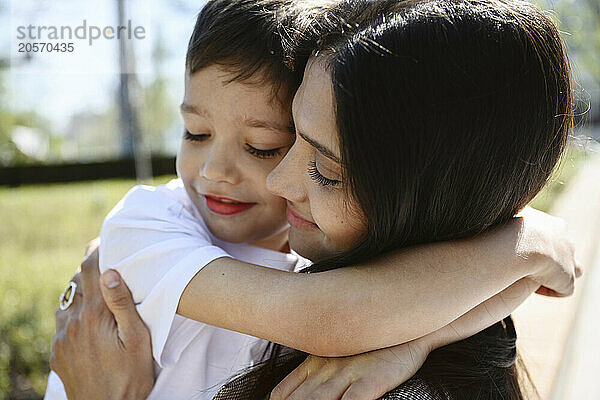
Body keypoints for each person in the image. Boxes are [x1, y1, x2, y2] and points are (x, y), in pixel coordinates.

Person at [50, 0, 579, 399]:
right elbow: (328, 317)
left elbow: (338, 315)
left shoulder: (369, 297)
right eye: (192, 132)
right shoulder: (149, 225)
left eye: (265, 146)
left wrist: (522, 246)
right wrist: (526, 246)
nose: (215, 171)